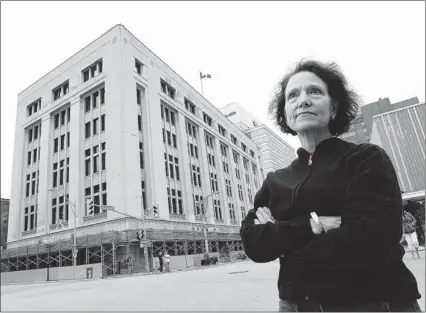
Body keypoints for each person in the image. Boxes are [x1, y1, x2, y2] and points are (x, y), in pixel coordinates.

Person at [240, 59, 421, 312]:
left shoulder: (365, 158)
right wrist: (318, 224)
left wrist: (282, 236)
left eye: (314, 91)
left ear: (334, 108)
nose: (303, 100)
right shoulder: (275, 180)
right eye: (293, 95)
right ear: (286, 115)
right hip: (296, 306)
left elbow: (372, 235)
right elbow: (254, 243)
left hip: (375, 302)